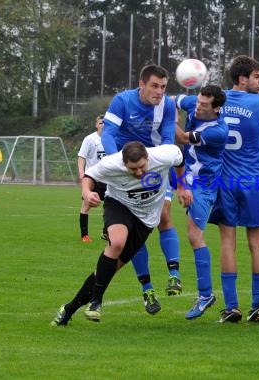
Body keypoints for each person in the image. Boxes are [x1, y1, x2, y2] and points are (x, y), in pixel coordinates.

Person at [50, 141, 184, 326]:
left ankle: (69, 309)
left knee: (107, 271)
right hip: (119, 205)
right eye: (132, 169)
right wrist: (87, 192)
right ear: (123, 163)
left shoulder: (164, 154)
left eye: (142, 167)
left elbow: (180, 158)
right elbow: (89, 176)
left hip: (146, 220)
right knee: (117, 243)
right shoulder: (111, 164)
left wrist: (183, 187)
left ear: (148, 158)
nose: (138, 172)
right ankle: (96, 301)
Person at [101, 64, 180, 316]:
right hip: (127, 170)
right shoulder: (122, 101)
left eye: (164, 87)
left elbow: (168, 139)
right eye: (155, 86)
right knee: (137, 230)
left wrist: (156, 164)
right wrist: (118, 163)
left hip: (153, 168)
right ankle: (147, 289)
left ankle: (174, 274)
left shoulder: (166, 105)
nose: (159, 92)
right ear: (142, 84)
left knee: (164, 216)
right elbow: (109, 133)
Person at [208, 55, 259, 323]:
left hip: (225, 180)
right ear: (242, 78)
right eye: (256, 77)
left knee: (227, 242)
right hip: (254, 180)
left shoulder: (217, 100)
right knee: (257, 243)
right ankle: (257, 306)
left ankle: (231, 306)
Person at [173, 85, 228, 320]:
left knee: (195, 236)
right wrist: (167, 103)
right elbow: (174, 99)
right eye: (197, 102)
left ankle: (206, 295)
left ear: (216, 108)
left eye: (204, 105)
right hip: (187, 178)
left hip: (203, 186)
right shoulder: (194, 104)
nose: (197, 107)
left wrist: (165, 118)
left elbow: (183, 137)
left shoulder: (217, 130)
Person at [77, 114, 106, 243]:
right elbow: (82, 156)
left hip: (108, 179)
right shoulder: (90, 139)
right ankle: (84, 235)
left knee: (113, 205)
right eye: (100, 123)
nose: (103, 125)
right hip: (93, 179)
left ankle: (106, 232)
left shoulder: (113, 139)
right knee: (86, 206)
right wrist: (81, 172)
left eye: (105, 123)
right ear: (96, 125)